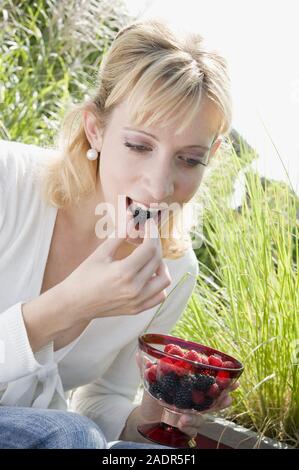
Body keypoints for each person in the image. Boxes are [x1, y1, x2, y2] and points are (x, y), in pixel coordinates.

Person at [0, 19, 235, 449]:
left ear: (211, 157)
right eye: (140, 146)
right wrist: (69, 304)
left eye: (188, 160)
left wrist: (155, 412)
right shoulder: (7, 182)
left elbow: (103, 401)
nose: (159, 185)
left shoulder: (175, 269)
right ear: (97, 129)